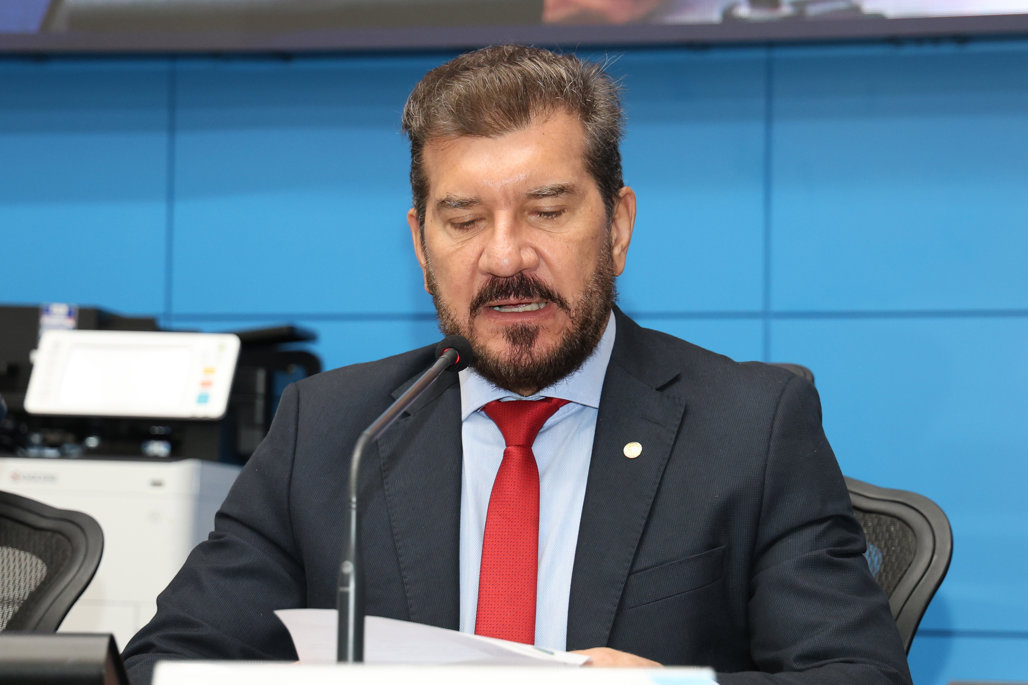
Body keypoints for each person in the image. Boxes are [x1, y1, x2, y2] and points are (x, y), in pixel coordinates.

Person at [122, 44, 912, 684]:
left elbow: (858, 674)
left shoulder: (750, 426)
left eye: (547, 210)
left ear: (618, 228)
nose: (506, 257)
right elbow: (164, 664)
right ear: (421, 245)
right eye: (464, 220)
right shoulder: (333, 431)